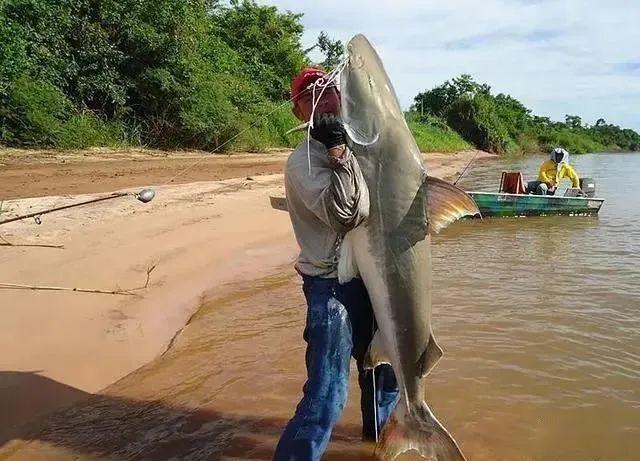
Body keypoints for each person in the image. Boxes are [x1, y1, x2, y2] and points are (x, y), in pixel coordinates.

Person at [273, 67, 399, 461]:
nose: (323, 96)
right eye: (311, 94)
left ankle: (373, 449)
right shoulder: (303, 162)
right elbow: (350, 214)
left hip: (367, 281)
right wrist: (338, 152)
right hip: (330, 288)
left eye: (329, 89)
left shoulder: (357, 144)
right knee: (327, 394)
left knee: (383, 377)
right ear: (298, 111)